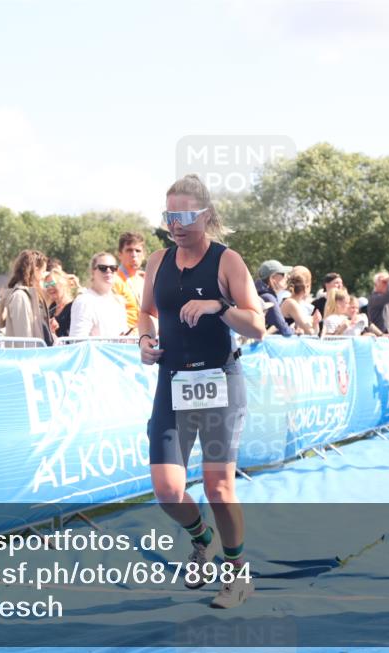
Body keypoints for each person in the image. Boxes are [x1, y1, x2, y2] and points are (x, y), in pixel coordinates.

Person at [138, 174, 265, 609]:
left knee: (218, 487)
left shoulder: (227, 261)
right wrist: (144, 339)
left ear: (206, 215)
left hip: (219, 381)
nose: (176, 224)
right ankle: (202, 537)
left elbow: (258, 325)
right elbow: (146, 312)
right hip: (172, 382)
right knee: (167, 490)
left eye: (186, 215)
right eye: (169, 216)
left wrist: (219, 306)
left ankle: (237, 574)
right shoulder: (158, 261)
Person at [2, 249, 55, 347]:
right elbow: (24, 336)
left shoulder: (30, 295)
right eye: (43, 271)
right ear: (35, 269)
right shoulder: (20, 296)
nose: (43, 276)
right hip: (28, 354)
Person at [70, 252, 128, 338]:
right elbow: (77, 341)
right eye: (103, 268)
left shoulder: (119, 302)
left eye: (113, 268)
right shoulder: (84, 302)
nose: (109, 271)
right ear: (92, 272)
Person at [254, 259, 294, 336]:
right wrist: (294, 330)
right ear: (272, 277)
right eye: (283, 274)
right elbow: (284, 330)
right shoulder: (268, 298)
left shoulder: (261, 295)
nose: (287, 277)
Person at [45, 267, 77, 337]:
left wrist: (53, 332)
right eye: (46, 285)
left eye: (52, 283)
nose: (49, 288)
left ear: (63, 284)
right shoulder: (51, 308)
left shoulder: (74, 307)